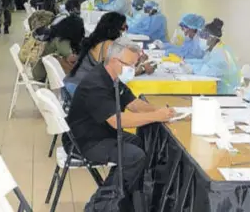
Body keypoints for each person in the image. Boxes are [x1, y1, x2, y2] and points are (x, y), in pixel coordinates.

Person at [62, 37, 175, 210]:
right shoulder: (96, 83)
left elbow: (133, 104)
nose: (132, 69)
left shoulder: (112, 78)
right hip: (83, 140)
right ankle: (100, 205)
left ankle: (126, 198)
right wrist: (157, 116)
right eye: (130, 65)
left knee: (139, 144)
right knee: (134, 156)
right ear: (114, 60)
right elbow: (117, 120)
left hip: (100, 133)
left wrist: (159, 111)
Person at [64, 12, 127, 95]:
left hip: (72, 84)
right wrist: (142, 68)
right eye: (124, 28)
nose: (124, 31)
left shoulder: (94, 39)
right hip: (81, 90)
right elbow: (120, 72)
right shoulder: (108, 45)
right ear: (115, 29)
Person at [32, 0, 85, 81]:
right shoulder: (62, 41)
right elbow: (71, 58)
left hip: (40, 69)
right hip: (42, 75)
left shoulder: (57, 34)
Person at [184, 18, 239, 94]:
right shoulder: (214, 49)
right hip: (217, 87)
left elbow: (206, 71)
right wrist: (186, 62)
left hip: (226, 93)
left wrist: (192, 68)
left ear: (212, 38)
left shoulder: (221, 54)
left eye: (203, 36)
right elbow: (204, 62)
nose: (201, 39)